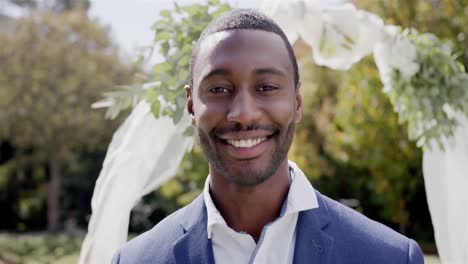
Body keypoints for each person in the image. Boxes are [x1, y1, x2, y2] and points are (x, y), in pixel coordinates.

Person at [112, 9, 424, 264]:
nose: (244, 113)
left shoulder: (390, 256)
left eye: (267, 88)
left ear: (297, 103)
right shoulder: (136, 260)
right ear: (192, 105)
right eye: (219, 89)